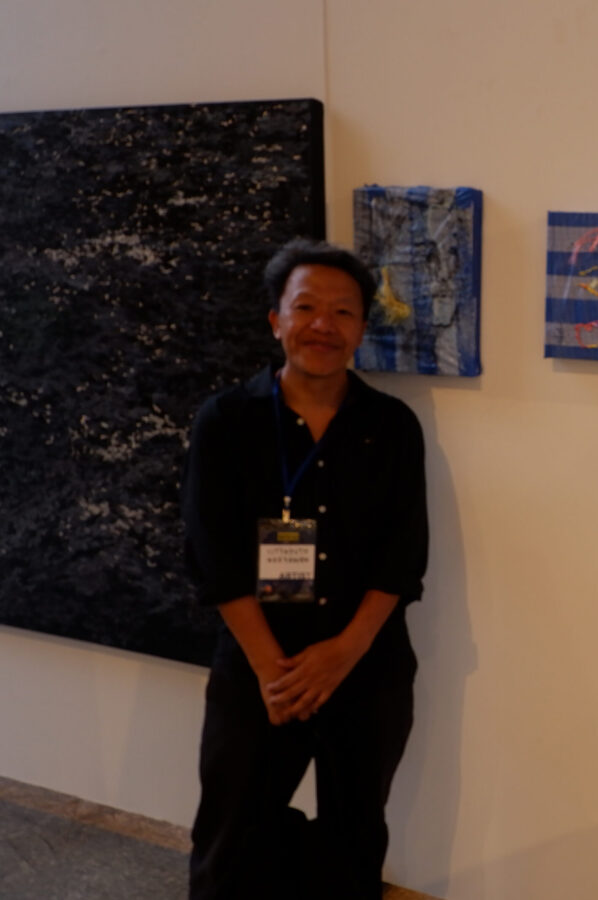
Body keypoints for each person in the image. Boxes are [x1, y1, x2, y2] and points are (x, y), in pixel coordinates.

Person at [181, 239, 428, 898]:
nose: (324, 325)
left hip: (365, 664)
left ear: (361, 329)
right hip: (259, 666)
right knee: (230, 840)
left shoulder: (392, 425)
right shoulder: (226, 420)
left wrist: (343, 653)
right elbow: (214, 557)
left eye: (343, 312)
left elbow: (402, 557)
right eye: (306, 307)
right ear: (276, 320)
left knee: (354, 837)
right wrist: (273, 671)